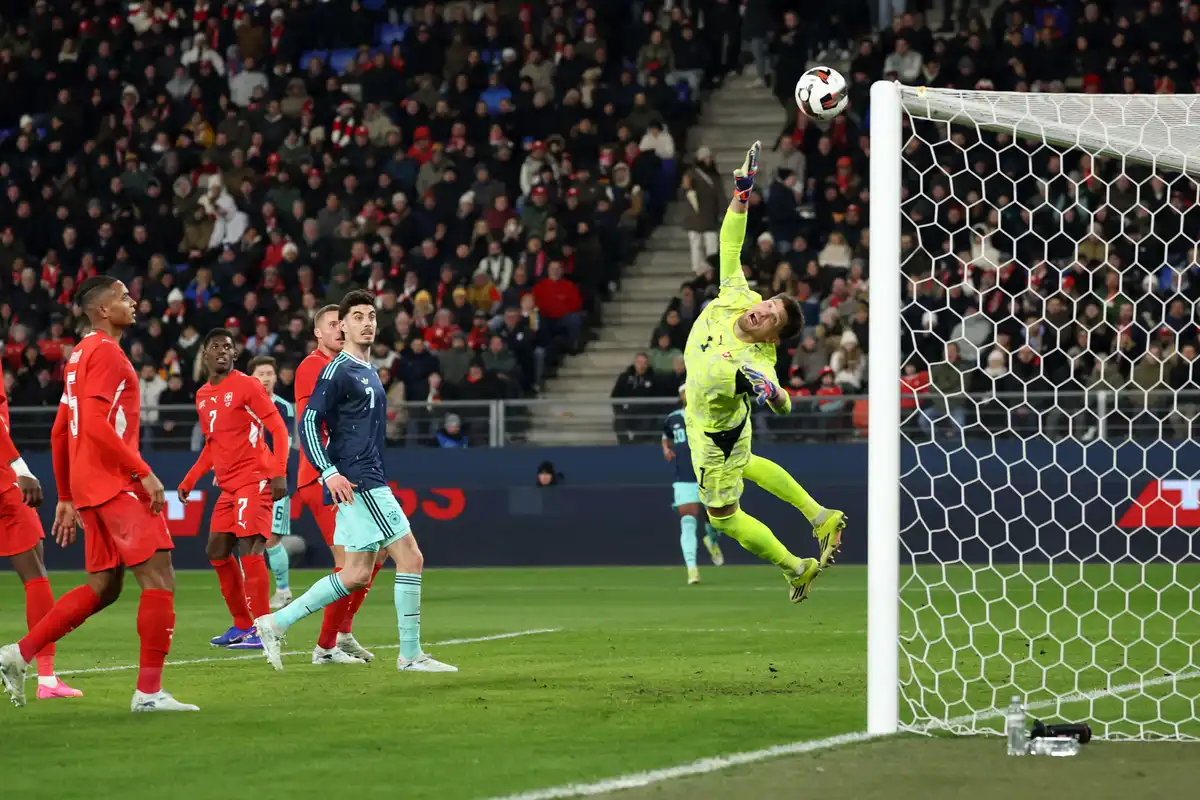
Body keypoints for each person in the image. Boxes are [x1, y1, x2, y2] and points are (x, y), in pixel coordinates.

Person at [0, 276, 196, 711]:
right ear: (103, 310)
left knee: (104, 586)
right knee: (160, 577)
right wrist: (142, 472)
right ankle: (148, 694)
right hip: (115, 482)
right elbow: (92, 423)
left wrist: (68, 495)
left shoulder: (77, 357)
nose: (133, 301)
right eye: (124, 296)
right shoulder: (107, 353)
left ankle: (19, 653)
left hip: (91, 486)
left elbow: (59, 431)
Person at [682, 142, 847, 604]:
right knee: (749, 464)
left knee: (722, 516)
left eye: (771, 317)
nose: (762, 312)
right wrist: (742, 194)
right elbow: (729, 243)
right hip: (708, 419)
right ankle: (820, 516)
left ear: (773, 337)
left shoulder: (757, 361)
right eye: (768, 305)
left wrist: (771, 391)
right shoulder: (737, 294)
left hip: (715, 435)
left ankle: (796, 567)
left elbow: (784, 400)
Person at [257, 291, 456, 673]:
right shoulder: (337, 371)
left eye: (371, 316)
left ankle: (274, 623)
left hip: (364, 478)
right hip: (360, 481)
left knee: (356, 573)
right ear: (342, 326)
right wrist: (328, 473)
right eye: (357, 317)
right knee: (410, 558)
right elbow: (309, 423)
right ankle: (410, 655)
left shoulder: (365, 369)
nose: (367, 323)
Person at [177, 330, 289, 649]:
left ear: (235, 355)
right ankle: (242, 625)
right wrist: (189, 480)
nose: (223, 351)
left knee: (250, 549)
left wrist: (279, 472)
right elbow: (212, 447)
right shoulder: (202, 396)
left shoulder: (247, 385)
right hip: (229, 487)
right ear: (205, 354)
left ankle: (264, 630)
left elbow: (278, 429)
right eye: (216, 347)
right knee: (216, 550)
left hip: (254, 479)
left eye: (229, 347)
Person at [292, 304, 374, 664]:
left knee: (377, 552)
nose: (340, 330)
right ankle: (326, 647)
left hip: (348, 474)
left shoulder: (346, 366)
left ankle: (342, 632)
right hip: (323, 476)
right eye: (332, 325)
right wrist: (329, 470)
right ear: (318, 333)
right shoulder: (313, 368)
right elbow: (311, 424)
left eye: (343, 323)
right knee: (349, 563)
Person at [0, 377, 82, 699]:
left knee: (37, 560)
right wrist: (20, 467)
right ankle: (46, 679)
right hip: (4, 482)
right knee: (36, 574)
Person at [662, 384, 724, 585]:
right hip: (684, 477)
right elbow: (666, 437)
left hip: (708, 475)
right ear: (681, 396)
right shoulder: (673, 418)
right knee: (687, 522)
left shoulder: (708, 414)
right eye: (684, 393)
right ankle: (692, 570)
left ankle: (711, 540)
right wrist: (666, 449)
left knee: (718, 521)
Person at [248, 355, 298, 609]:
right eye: (261, 374)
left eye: (270, 373)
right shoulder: (244, 406)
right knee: (250, 539)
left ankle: (283, 590)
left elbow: (284, 444)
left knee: (271, 538)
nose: (266, 378)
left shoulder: (283, 407)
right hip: (246, 481)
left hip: (274, 481)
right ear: (251, 378)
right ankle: (253, 591)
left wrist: (276, 473)